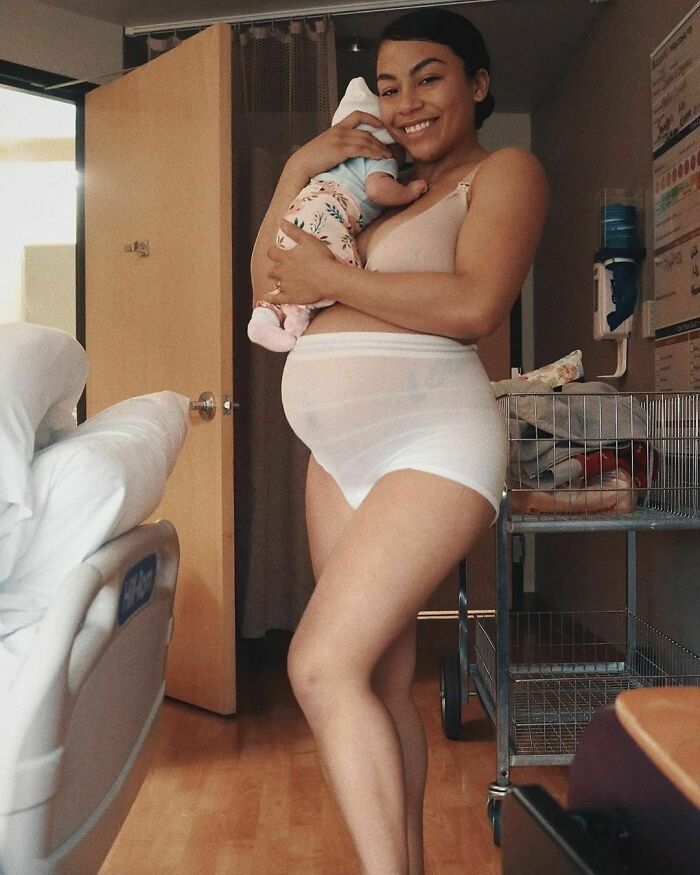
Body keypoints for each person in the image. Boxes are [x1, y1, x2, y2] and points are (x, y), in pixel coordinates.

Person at [250, 7, 549, 874]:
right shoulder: (365, 180)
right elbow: (274, 283)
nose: (407, 100)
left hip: (434, 440)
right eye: (388, 85)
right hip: (338, 455)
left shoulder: (505, 173)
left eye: (429, 76)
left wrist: (332, 276)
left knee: (319, 664)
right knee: (376, 682)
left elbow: (473, 306)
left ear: (477, 85)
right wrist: (301, 170)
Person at [247, 77, 426, 352]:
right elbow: (266, 279)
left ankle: (269, 316)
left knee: (293, 273)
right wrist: (299, 165)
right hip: (329, 374)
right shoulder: (381, 164)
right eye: (390, 92)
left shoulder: (326, 177)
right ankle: (292, 313)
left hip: (368, 371)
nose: (407, 104)